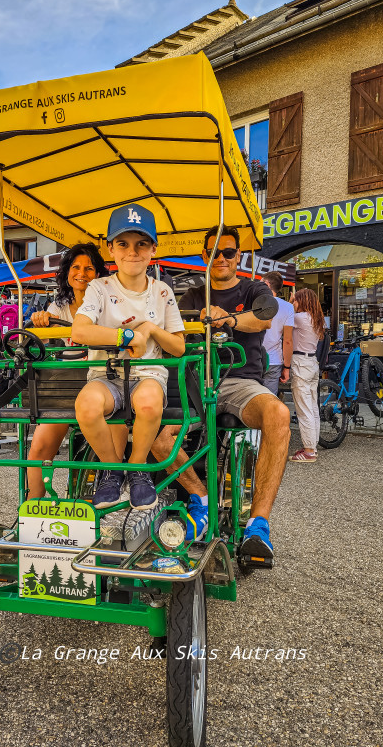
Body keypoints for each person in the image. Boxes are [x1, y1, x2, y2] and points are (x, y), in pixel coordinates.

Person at [151, 225, 290, 562]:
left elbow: (264, 319)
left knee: (278, 414)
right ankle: (201, 501)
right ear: (205, 256)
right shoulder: (193, 296)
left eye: (228, 252)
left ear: (238, 256)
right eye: (215, 253)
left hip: (240, 381)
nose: (222, 259)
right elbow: (175, 333)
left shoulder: (254, 288)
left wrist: (228, 319)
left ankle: (258, 524)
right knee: (157, 435)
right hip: (197, 382)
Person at [72, 205, 185, 511]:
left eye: (141, 244)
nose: (132, 252)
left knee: (148, 402)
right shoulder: (99, 287)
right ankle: (113, 468)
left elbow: (179, 347)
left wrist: (151, 329)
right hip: (106, 374)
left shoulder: (162, 291)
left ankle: (137, 466)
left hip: (148, 374)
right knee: (86, 405)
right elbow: (79, 331)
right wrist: (128, 336)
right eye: (123, 244)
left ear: (153, 250)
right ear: (111, 249)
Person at [25, 243, 108, 499]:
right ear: (67, 273)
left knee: (113, 445)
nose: (82, 273)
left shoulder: (109, 305)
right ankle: (31, 508)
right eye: (76, 267)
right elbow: (40, 343)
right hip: (68, 386)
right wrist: (40, 323)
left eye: (89, 268)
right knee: (39, 449)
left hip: (104, 383)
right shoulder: (58, 307)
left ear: (98, 274)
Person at [289, 288, 325, 463]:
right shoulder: (317, 318)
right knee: (312, 407)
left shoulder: (300, 318)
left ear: (302, 301)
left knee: (303, 409)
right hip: (312, 362)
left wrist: (289, 303)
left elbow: (282, 317)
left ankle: (309, 451)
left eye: (296, 300)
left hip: (300, 363)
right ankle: (312, 446)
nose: (294, 303)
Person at [261, 271, 294, 394]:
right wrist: (287, 367)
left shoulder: (254, 303)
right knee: (270, 399)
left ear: (266, 284)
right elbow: (287, 341)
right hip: (274, 360)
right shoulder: (288, 307)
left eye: (260, 283)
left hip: (253, 358)